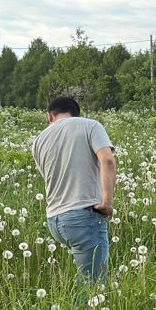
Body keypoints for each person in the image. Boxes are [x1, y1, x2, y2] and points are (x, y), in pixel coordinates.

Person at [32, 96, 116, 284]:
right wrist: (107, 203)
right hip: (84, 215)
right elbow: (108, 160)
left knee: (86, 280)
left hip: (55, 219)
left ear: (50, 116)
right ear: (77, 113)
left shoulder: (39, 140)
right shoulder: (90, 125)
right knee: (92, 288)